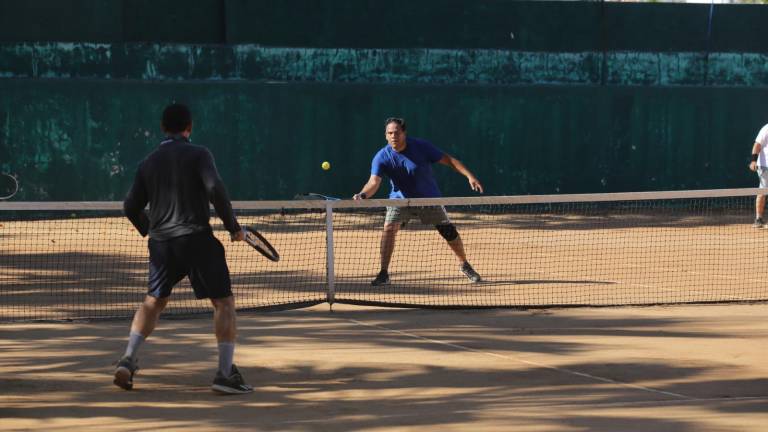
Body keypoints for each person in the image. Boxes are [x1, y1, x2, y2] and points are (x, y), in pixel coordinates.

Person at [115, 103, 252, 394]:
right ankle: (225, 374)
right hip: (196, 239)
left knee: (153, 301)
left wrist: (150, 228)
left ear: (163, 128)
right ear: (189, 127)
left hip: (162, 244)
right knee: (223, 303)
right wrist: (233, 227)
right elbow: (215, 188)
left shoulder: (148, 161)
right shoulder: (200, 153)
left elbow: (130, 206)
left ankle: (127, 360)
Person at [353, 117, 484, 285]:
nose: (394, 136)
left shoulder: (421, 147)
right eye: (390, 133)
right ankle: (384, 272)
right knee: (389, 229)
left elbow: (449, 160)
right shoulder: (382, 156)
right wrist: (363, 194)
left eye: (397, 133)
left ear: (404, 133)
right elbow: (373, 182)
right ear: (386, 135)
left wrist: (470, 176)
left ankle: (464, 264)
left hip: (428, 198)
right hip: (400, 201)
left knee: (448, 232)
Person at [749, 123, 768, 227]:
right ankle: (758, 219)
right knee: (763, 191)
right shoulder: (766, 128)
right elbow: (757, 145)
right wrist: (753, 161)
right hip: (764, 166)